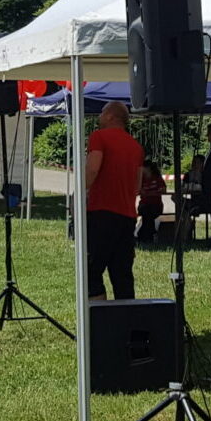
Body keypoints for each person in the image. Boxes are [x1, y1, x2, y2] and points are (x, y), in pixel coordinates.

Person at [84, 100, 144, 300]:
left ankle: (98, 313)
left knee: (91, 271)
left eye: (102, 113)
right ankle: (126, 316)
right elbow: (137, 185)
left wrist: (81, 191)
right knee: (122, 274)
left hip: (102, 211)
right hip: (127, 216)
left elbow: (93, 169)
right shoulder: (136, 146)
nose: (99, 117)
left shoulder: (99, 137)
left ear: (110, 116)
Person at [136, 156, 166, 247]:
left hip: (156, 205)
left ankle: (143, 235)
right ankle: (150, 234)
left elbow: (163, 189)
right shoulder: (141, 179)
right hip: (144, 205)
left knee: (148, 214)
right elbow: (137, 190)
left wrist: (153, 192)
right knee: (146, 212)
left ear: (148, 168)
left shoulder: (157, 178)